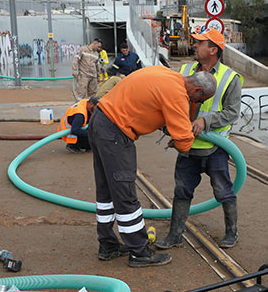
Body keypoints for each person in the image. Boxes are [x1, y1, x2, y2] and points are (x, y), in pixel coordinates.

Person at [89, 67, 216, 267]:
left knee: (107, 192)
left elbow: (147, 104)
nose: (195, 103)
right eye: (198, 100)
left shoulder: (167, 75)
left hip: (101, 121)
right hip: (116, 132)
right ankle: (139, 252)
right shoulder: (177, 94)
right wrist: (181, 138)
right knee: (125, 193)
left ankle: (108, 245)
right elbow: (184, 140)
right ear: (197, 90)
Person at [154, 28, 242, 250]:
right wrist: (172, 131)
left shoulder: (230, 78)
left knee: (223, 190)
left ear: (213, 50)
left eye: (200, 43)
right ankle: (175, 235)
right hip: (188, 147)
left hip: (215, 148)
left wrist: (206, 122)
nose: (195, 45)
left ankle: (232, 232)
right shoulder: (184, 71)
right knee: (182, 190)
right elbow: (172, 103)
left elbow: (232, 112)